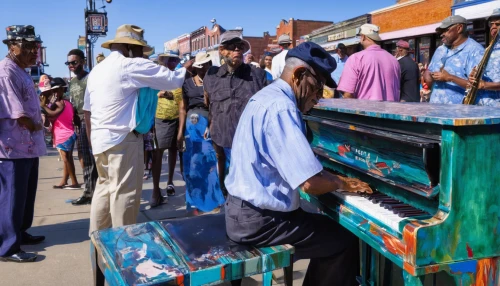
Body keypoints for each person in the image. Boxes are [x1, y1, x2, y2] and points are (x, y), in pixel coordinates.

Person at [225, 42, 372, 286]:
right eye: (317, 86)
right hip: (259, 223)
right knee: (344, 238)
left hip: (242, 212)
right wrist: (341, 181)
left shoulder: (267, 95)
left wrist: (328, 178)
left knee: (327, 230)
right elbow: (311, 184)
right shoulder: (282, 106)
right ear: (299, 75)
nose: (318, 95)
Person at [83, 24, 193, 235]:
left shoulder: (97, 70)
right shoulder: (128, 65)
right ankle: (123, 244)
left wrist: (91, 140)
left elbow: (87, 110)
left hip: (99, 140)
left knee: (104, 191)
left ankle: (98, 242)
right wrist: (186, 67)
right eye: (140, 50)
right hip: (122, 138)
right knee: (124, 194)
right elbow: (172, 80)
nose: (141, 54)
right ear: (130, 48)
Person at [0, 25, 46, 263]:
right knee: (12, 199)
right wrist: (36, 125)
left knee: (26, 195)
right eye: (27, 46)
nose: (34, 52)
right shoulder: (5, 71)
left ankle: (20, 232)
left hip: (27, 147)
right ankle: (7, 247)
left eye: (35, 47)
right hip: (12, 148)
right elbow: (17, 113)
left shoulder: (21, 70)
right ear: (12, 46)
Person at [204, 30, 267, 194]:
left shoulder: (258, 76)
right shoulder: (212, 78)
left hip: (250, 146)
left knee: (248, 191)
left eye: (240, 47)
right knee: (226, 188)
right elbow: (210, 106)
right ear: (222, 51)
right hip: (221, 142)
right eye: (232, 47)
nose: (237, 50)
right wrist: (210, 127)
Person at [178, 51, 225, 213]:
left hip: (209, 125)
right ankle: (195, 201)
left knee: (210, 162)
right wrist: (180, 133)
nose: (203, 69)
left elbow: (215, 106)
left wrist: (211, 124)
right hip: (191, 129)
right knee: (193, 163)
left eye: (206, 65)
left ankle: (212, 201)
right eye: (200, 66)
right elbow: (183, 109)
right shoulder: (187, 84)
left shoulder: (214, 83)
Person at [424, 15, 485, 104]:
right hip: (434, 109)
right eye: (441, 31)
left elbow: (477, 86)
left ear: (459, 28)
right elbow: (429, 71)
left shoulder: (475, 50)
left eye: (446, 30)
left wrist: (450, 78)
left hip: (457, 113)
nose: (442, 34)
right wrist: (427, 74)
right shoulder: (441, 49)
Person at [150, 49, 184, 207]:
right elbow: (150, 96)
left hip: (176, 118)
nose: (172, 63)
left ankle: (170, 182)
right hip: (159, 119)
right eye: (168, 60)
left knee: (173, 151)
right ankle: (155, 191)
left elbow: (182, 102)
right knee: (158, 153)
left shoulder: (179, 78)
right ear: (162, 61)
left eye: (174, 60)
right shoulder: (156, 77)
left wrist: (170, 95)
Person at [337, 24, 400, 101]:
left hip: (366, 111)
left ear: (363, 37)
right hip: (390, 111)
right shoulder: (394, 60)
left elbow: (347, 94)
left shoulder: (356, 58)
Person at [66, 49, 97, 205]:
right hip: (79, 122)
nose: (71, 65)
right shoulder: (72, 82)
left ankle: (92, 192)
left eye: (74, 62)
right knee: (84, 158)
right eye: (69, 63)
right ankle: (90, 191)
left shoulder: (90, 78)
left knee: (92, 158)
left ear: (83, 61)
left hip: (90, 120)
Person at [40, 78, 80, 189]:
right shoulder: (67, 102)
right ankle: (64, 181)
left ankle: (74, 182)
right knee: (67, 159)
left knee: (66, 159)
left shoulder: (61, 103)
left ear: (63, 90)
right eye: (54, 91)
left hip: (64, 135)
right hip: (68, 133)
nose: (55, 93)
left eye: (57, 90)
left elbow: (52, 113)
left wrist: (43, 106)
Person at [467, 8, 500, 106]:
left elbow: (483, 84)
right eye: (491, 24)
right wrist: (474, 76)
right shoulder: (488, 48)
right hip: (481, 105)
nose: (493, 27)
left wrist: (484, 85)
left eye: (497, 24)